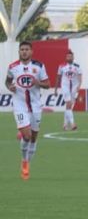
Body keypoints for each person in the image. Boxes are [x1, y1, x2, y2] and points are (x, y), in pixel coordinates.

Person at [5, 41, 50, 180]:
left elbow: (47, 84)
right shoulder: (13, 67)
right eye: (22, 49)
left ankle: (27, 163)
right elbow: (7, 81)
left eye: (26, 49)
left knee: (34, 138)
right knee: (26, 136)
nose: (24, 52)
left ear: (31, 51)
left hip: (35, 107)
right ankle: (24, 161)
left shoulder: (39, 66)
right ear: (19, 52)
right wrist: (9, 87)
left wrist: (38, 83)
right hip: (20, 106)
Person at [55, 50, 82, 131]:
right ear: (65, 58)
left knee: (69, 106)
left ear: (73, 57)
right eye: (67, 56)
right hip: (65, 87)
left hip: (74, 87)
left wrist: (79, 86)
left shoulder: (77, 66)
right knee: (69, 104)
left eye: (70, 56)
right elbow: (58, 78)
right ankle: (73, 124)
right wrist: (56, 89)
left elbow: (80, 78)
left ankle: (65, 124)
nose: (69, 58)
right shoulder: (61, 66)